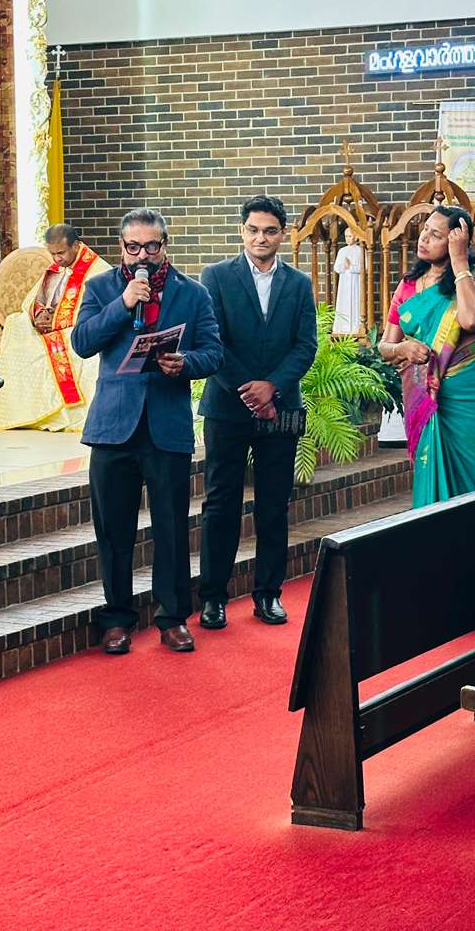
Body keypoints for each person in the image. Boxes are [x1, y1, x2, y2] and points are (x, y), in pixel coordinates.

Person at [71, 208, 223, 655]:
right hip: (113, 428)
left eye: (151, 245)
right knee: (113, 531)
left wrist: (186, 363)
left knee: (172, 529)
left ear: (165, 245)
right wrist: (124, 304)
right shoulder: (101, 288)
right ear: (121, 247)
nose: (143, 255)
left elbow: (214, 352)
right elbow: (82, 342)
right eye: (133, 246)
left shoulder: (192, 293)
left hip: (165, 426)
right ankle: (117, 620)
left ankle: (172, 619)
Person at [197, 195, 317, 630]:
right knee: (221, 504)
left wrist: (273, 387)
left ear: (283, 234)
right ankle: (213, 598)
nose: (260, 238)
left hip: (282, 408)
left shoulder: (299, 283)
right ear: (242, 231)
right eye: (253, 230)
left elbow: (306, 345)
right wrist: (249, 390)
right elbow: (211, 340)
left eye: (269, 230)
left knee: (274, 504)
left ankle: (268, 595)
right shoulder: (215, 277)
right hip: (227, 407)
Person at [378, 205, 475, 508]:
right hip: (428, 399)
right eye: (425, 230)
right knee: (432, 482)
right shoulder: (408, 286)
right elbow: (384, 347)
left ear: (456, 240)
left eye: (436, 235)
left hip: (474, 396)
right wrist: (402, 349)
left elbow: (473, 320)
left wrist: (460, 262)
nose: (424, 238)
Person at [0, 225, 110, 432]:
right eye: (52, 254)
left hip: (75, 329)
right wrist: (38, 314)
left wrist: (56, 320)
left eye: (61, 253)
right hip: (48, 328)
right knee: (16, 324)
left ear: (76, 245)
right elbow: (33, 300)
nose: (57, 259)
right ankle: (21, 412)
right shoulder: (55, 268)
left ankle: (65, 414)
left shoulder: (99, 270)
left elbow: (98, 310)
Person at [332, 227, 362, 335]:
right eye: (346, 236)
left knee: (355, 303)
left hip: (355, 282)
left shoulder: (360, 250)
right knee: (343, 304)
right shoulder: (342, 251)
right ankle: (342, 328)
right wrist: (343, 266)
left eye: (350, 236)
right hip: (344, 282)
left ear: (356, 237)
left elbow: (365, 268)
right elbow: (336, 267)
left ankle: (355, 328)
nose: (348, 239)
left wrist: (351, 267)